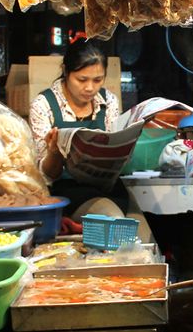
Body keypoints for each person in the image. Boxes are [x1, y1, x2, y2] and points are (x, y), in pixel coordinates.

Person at [28, 39, 146, 233]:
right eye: (82, 80)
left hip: (108, 187)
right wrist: (55, 152)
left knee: (143, 232)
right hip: (67, 192)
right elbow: (46, 176)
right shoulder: (44, 105)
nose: (90, 88)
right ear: (66, 72)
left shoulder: (109, 102)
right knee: (115, 223)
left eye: (98, 80)